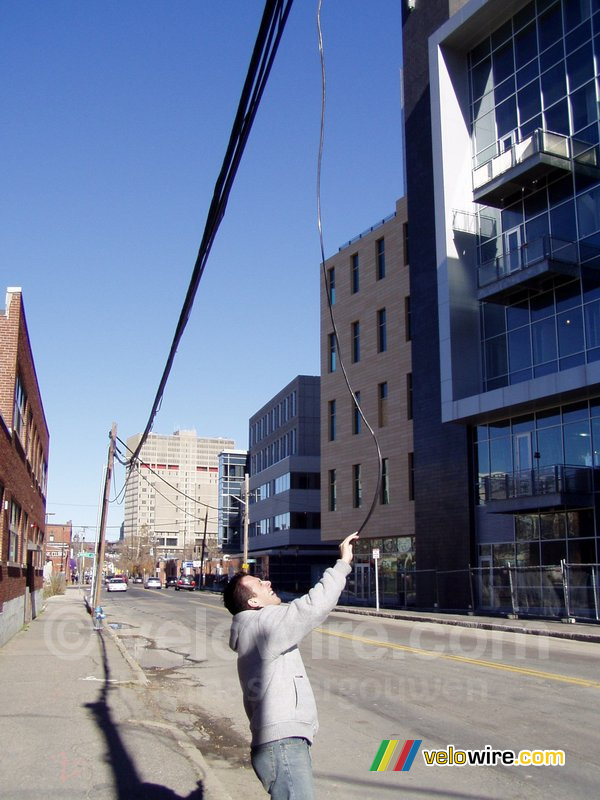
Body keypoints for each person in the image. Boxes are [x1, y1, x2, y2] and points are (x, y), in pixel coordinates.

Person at [223, 532, 358, 799]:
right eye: (259, 583)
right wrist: (343, 563)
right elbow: (312, 607)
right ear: (253, 602)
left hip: (278, 745)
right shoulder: (262, 624)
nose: (267, 582)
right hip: (282, 745)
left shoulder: (251, 628)